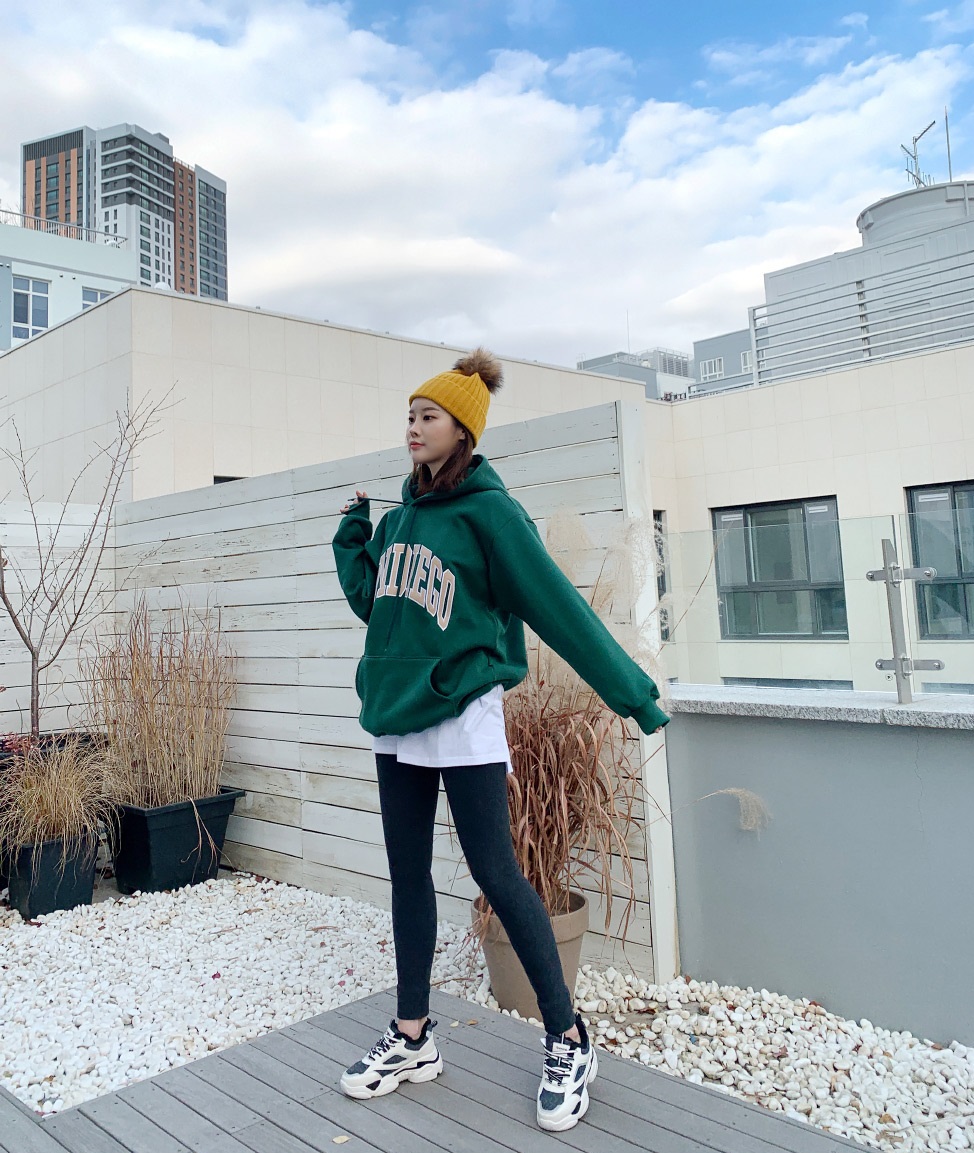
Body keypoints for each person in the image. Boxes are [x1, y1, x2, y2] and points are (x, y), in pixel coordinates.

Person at [332, 348, 668, 1132]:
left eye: (428, 415)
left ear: (463, 428)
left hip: (464, 711)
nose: (413, 427)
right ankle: (412, 1035)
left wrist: (632, 692)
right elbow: (376, 605)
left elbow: (557, 606)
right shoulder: (400, 520)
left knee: (497, 872)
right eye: (410, 415)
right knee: (407, 874)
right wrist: (353, 536)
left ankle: (569, 1036)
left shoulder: (492, 514)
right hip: (397, 710)